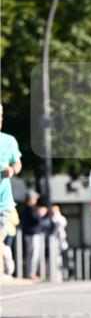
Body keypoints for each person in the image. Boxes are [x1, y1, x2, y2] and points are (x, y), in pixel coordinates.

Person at [0, 103, 22, 276]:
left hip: (3, 203)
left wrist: (12, 171)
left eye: (0, 116)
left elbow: (17, 163)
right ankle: (5, 252)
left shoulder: (9, 141)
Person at [20, 190, 45, 281]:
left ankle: (31, 273)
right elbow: (36, 220)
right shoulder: (30, 208)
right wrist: (40, 214)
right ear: (31, 198)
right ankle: (31, 273)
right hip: (32, 233)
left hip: (31, 233)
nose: (36, 200)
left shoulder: (27, 208)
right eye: (35, 198)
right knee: (33, 254)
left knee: (32, 253)